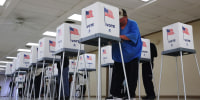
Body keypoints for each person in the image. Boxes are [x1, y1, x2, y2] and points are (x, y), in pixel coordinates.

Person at [110, 8, 142, 100]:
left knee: (131, 78)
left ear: (126, 17)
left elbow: (133, 36)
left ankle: (129, 96)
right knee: (116, 78)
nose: (119, 20)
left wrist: (119, 37)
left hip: (132, 55)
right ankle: (116, 95)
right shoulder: (115, 26)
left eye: (121, 18)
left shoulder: (133, 24)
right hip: (119, 56)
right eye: (117, 19)